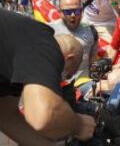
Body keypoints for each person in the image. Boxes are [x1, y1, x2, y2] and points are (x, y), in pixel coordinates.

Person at [0, 8, 95, 145]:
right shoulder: (44, 41)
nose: (62, 80)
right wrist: (79, 125)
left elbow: (6, 115)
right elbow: (45, 116)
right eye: (67, 75)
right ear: (68, 59)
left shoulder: (14, 60)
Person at [49, 0, 98, 78]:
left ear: (82, 12)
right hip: (57, 83)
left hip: (83, 82)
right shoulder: (48, 31)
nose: (72, 15)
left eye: (77, 11)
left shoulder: (91, 31)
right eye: (67, 12)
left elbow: (93, 59)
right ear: (60, 13)